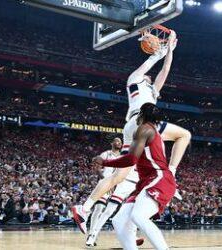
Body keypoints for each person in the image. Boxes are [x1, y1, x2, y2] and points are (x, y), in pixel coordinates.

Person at [72, 30, 191, 236]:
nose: (150, 75)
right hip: (142, 122)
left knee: (120, 174)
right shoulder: (134, 78)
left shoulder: (152, 90)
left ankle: (83, 209)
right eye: (148, 75)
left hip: (132, 126)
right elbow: (153, 62)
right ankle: (170, 171)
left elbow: (165, 69)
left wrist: (169, 50)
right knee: (184, 135)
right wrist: (158, 51)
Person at [93, 103, 179, 250]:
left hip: (158, 178)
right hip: (147, 181)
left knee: (138, 216)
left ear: (141, 115)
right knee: (119, 220)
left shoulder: (144, 128)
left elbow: (131, 159)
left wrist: (105, 162)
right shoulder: (152, 131)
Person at [86, 137, 122, 247]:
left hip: (116, 186)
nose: (119, 143)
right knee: (98, 208)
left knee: (107, 211)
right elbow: (96, 167)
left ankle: (93, 233)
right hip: (104, 184)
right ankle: (91, 234)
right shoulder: (106, 154)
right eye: (117, 141)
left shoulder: (122, 156)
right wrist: (104, 180)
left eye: (120, 142)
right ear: (112, 143)